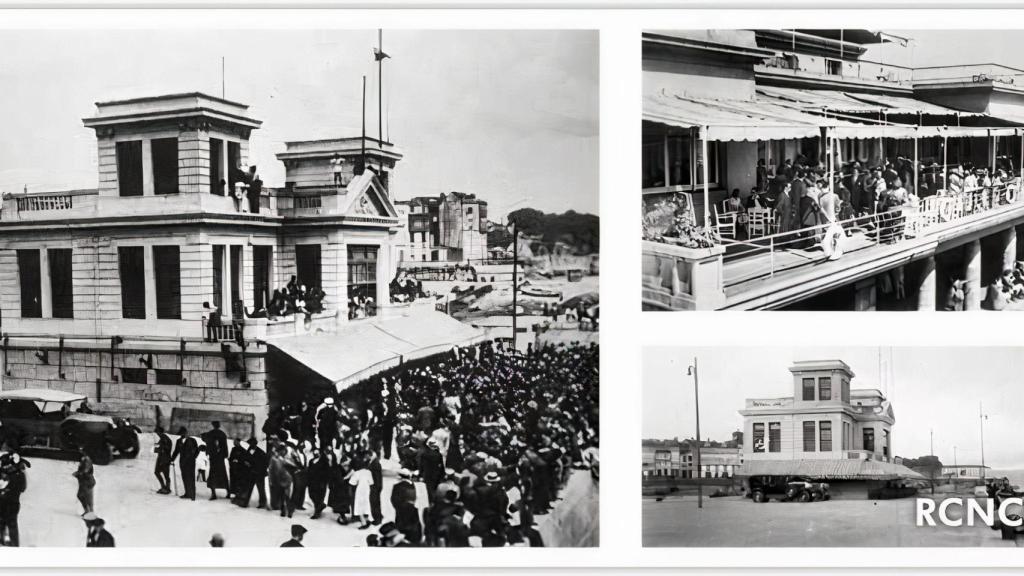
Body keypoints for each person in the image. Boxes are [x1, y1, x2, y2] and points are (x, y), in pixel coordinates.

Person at [203, 421, 230, 501]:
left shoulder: (210, 434)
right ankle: (228, 492)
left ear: (213, 425)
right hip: (220, 459)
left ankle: (213, 494)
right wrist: (225, 455)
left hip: (214, 458)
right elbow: (225, 446)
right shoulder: (222, 434)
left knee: (212, 476)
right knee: (223, 475)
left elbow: (207, 444)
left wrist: (208, 452)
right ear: (219, 426)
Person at [171, 427, 199, 500]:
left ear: (186, 433)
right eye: (181, 433)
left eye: (184, 433)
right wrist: (172, 459)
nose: (183, 434)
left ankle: (192, 495)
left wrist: (193, 458)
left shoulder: (192, 440)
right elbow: (176, 451)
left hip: (190, 463)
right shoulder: (178, 441)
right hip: (182, 463)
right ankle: (187, 493)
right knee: (185, 478)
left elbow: (197, 450)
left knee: (191, 478)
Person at [348, 460, 374, 530]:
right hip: (367, 491)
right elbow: (371, 483)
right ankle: (367, 520)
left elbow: (351, 483)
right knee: (366, 506)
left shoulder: (357, 473)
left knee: (359, 508)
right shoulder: (368, 472)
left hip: (359, 491)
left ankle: (364, 523)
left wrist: (350, 493)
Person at [154, 426, 173, 495]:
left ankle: (166, 489)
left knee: (165, 474)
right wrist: (157, 448)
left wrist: (159, 448)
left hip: (165, 459)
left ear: (160, 432)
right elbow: (158, 448)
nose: (157, 434)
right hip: (161, 458)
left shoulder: (165, 439)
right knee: (157, 472)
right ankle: (164, 487)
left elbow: (167, 449)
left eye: (158, 432)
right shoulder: (162, 438)